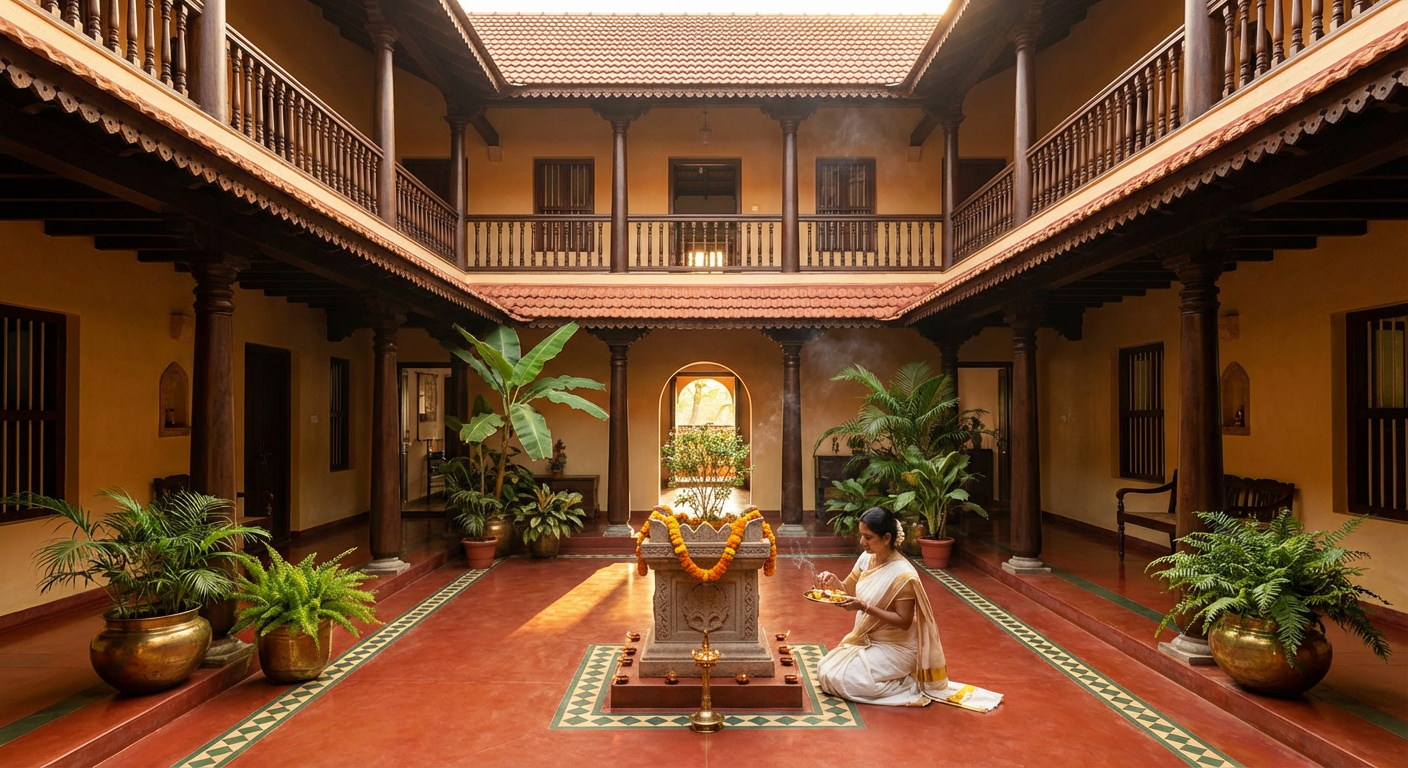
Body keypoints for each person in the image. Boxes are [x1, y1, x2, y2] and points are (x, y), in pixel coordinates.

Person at [814, 507, 1002, 711]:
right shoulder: (866, 558)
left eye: (868, 537)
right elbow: (848, 590)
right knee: (826, 671)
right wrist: (834, 584)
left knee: (844, 680)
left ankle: (907, 684)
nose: (862, 542)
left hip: (898, 648)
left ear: (887, 538)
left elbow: (903, 621)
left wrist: (866, 607)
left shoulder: (903, 574)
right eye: (862, 536)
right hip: (870, 641)